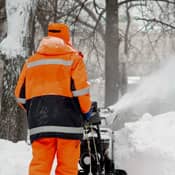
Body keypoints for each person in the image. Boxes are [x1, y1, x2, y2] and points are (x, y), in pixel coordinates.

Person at [15, 23, 92, 175]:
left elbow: (20, 96)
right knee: (67, 169)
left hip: (40, 124)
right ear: (67, 38)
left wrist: (36, 110)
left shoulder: (31, 62)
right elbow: (81, 91)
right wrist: (86, 111)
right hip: (69, 124)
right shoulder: (74, 60)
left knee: (39, 168)